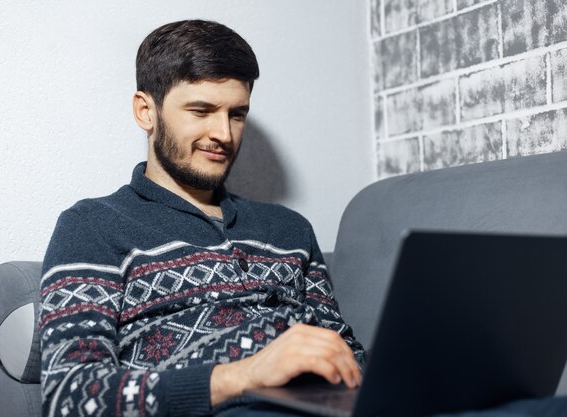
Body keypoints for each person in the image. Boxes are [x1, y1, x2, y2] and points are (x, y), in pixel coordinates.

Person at [39, 19, 364, 417]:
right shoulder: (92, 226)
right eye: (201, 110)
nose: (223, 134)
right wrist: (242, 376)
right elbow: (69, 397)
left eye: (237, 114)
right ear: (146, 111)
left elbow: (344, 350)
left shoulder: (290, 229)